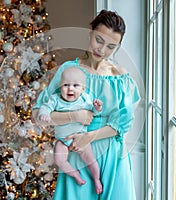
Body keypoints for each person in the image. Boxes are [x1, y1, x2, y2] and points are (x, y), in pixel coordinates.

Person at [33, 9, 140, 200]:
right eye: (99, 40)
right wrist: (75, 116)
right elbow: (38, 116)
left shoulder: (121, 77)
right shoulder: (69, 71)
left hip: (113, 156)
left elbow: (123, 124)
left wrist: (89, 136)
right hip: (78, 154)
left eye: (111, 46)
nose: (102, 50)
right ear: (89, 34)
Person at [38, 67, 103, 194]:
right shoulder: (55, 99)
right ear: (60, 86)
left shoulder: (85, 99)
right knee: (59, 160)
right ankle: (75, 174)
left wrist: (97, 107)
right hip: (62, 140)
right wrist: (44, 114)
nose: (70, 88)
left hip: (81, 138)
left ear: (83, 89)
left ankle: (96, 179)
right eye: (66, 85)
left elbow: (93, 113)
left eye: (75, 85)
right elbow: (45, 107)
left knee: (91, 160)